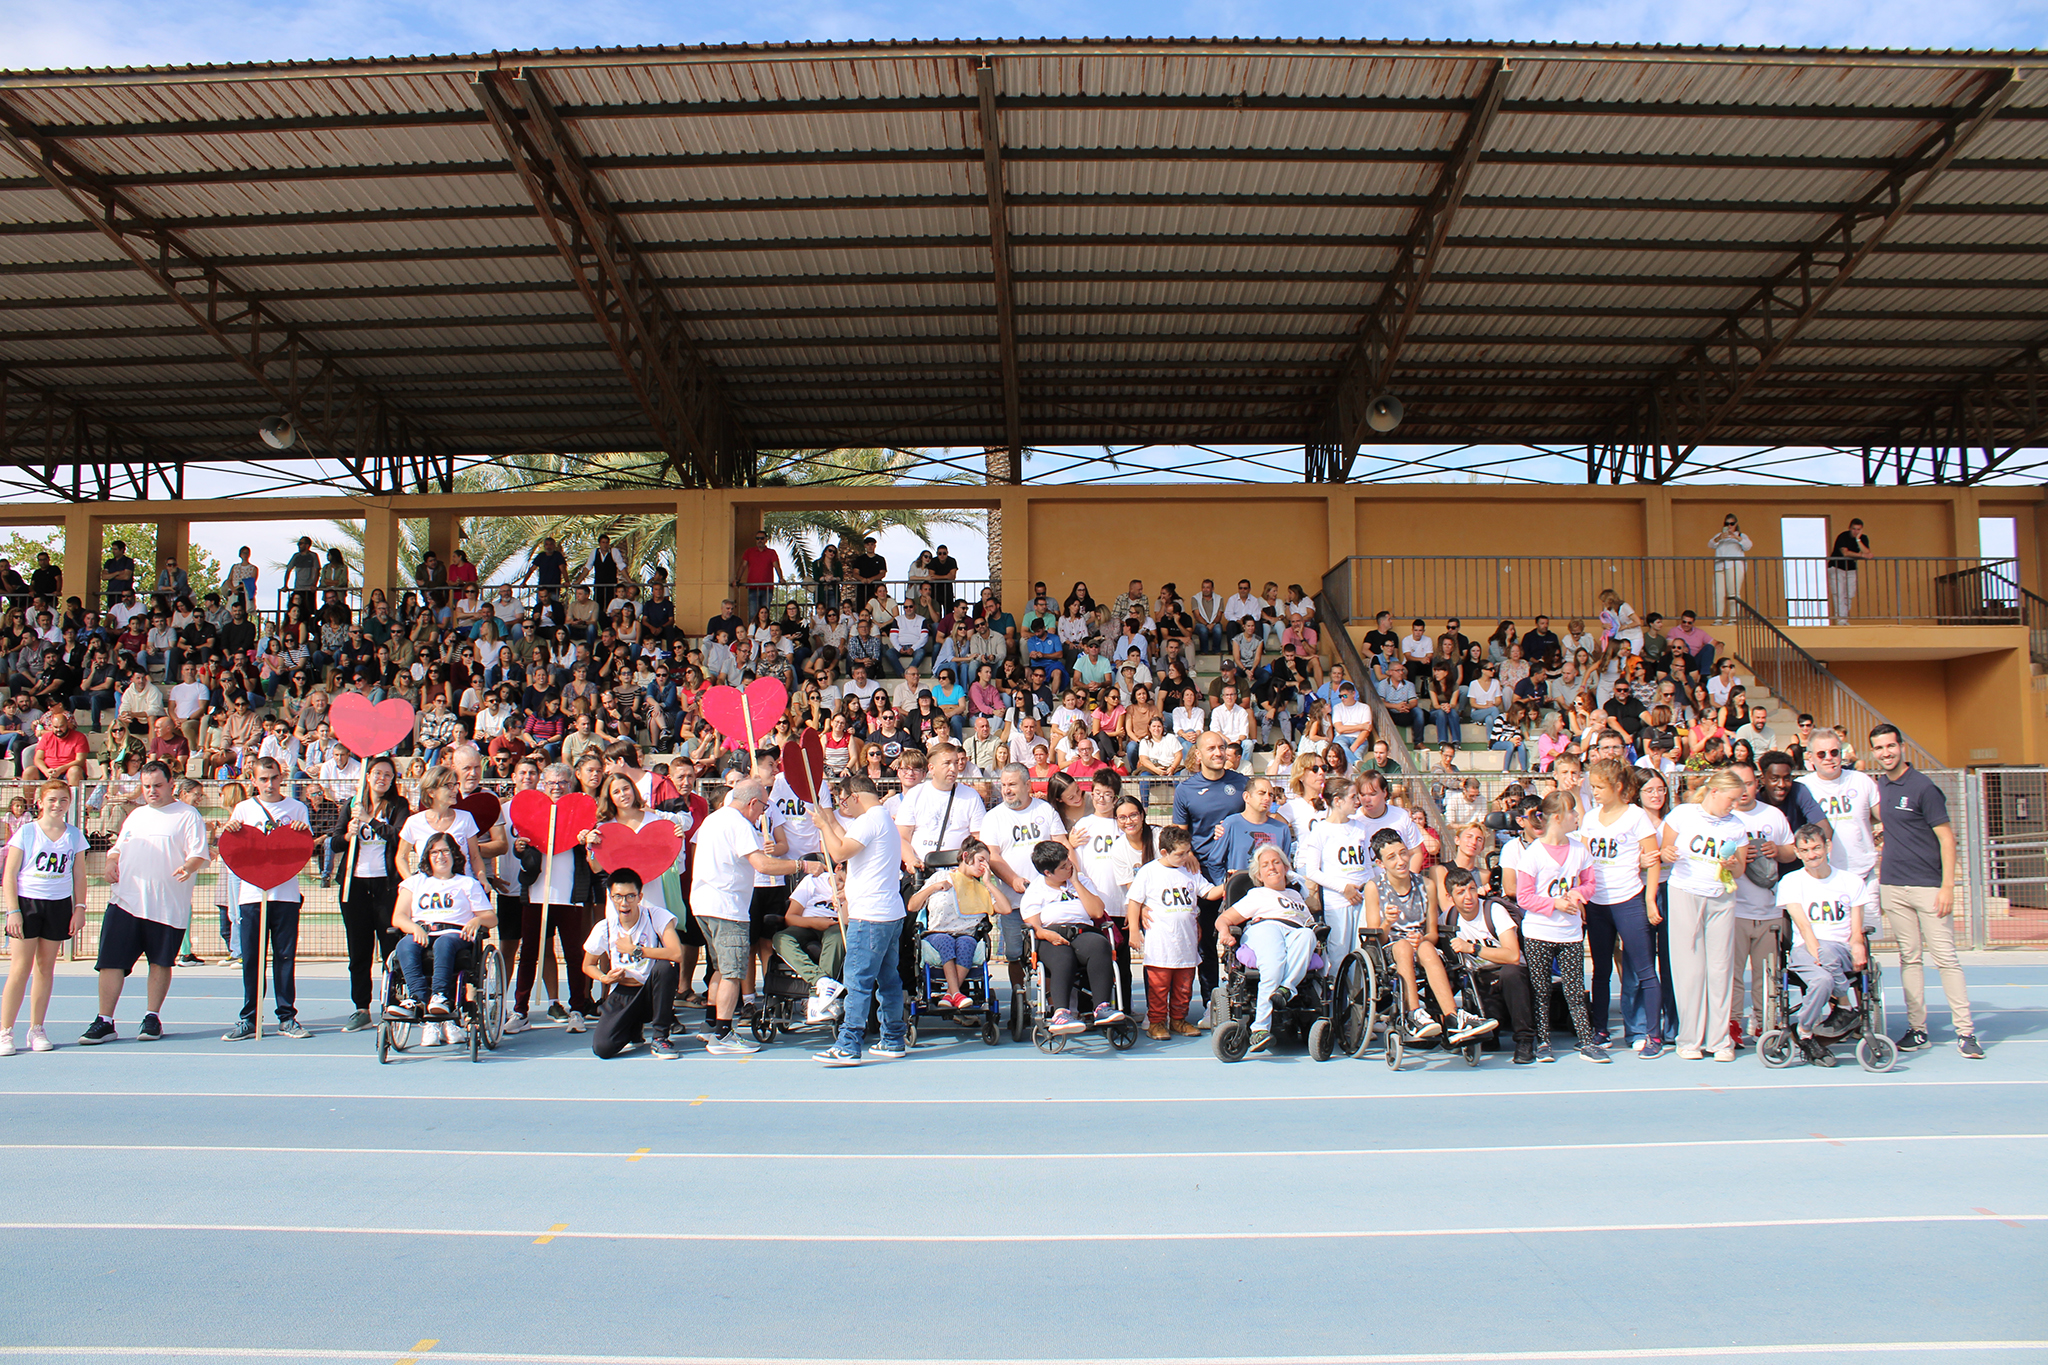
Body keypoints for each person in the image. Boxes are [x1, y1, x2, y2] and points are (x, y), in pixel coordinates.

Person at [1869, 723, 1979, 1058]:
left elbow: (1947, 838)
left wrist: (1948, 886)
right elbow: (1896, 824)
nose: (1886, 753)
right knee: (1909, 958)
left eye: (1890, 746)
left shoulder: (1923, 787)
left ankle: (1966, 1032)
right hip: (1893, 886)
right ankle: (1918, 1030)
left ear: (1901, 746)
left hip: (1929, 887)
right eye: (1879, 748)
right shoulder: (1880, 787)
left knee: (1946, 959)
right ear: (1873, 751)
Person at [693, 779, 825, 1054]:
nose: (763, 813)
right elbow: (763, 864)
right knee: (732, 972)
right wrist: (802, 864)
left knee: (720, 967)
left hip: (705, 903)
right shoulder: (738, 823)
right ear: (753, 803)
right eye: (763, 807)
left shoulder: (713, 819)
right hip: (726, 906)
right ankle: (723, 1033)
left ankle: (710, 1026)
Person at [84, 762, 210, 1044]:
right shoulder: (136, 815)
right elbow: (117, 850)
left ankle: (152, 1017)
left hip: (167, 906)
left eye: (157, 785)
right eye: (146, 786)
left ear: (171, 784)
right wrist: (110, 864)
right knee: (110, 963)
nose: (151, 791)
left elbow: (199, 853)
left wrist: (188, 867)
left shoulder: (187, 815)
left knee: (160, 962)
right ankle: (104, 1020)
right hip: (125, 902)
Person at [809, 773, 910, 1065]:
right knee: (888, 980)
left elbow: (839, 850)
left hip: (870, 916)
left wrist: (824, 825)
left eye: (844, 802)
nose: (844, 808)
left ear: (855, 796)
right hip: (889, 913)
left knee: (858, 981)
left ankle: (849, 1043)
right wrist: (828, 822)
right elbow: (846, 843)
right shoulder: (883, 820)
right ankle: (892, 1038)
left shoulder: (869, 821)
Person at [1659, 767, 1750, 1062]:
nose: (1733, 805)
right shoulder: (1683, 814)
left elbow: (1740, 869)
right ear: (1715, 792)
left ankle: (1720, 1039)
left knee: (1720, 968)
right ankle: (1689, 1039)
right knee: (1690, 969)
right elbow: (1665, 852)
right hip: (1685, 892)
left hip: (1721, 897)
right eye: (1731, 799)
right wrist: (1667, 854)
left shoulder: (1736, 826)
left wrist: (1732, 863)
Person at [220, 756, 314, 1040]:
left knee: (285, 957)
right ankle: (249, 1017)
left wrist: (301, 833)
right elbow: (235, 851)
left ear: (281, 778)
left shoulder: (297, 808)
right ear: (254, 780)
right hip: (252, 895)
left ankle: (287, 1017)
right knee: (252, 958)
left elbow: (303, 849)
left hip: (285, 895)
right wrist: (230, 831)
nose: (269, 784)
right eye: (263, 779)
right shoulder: (244, 809)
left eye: (273, 778)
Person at [1577, 758, 1664, 1054]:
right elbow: (1585, 863)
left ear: (1617, 787)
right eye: (1593, 787)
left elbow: (1653, 860)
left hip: (1628, 899)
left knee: (1643, 969)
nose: (1596, 792)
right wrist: (1582, 898)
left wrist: (1650, 899)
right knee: (1600, 970)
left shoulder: (1635, 816)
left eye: (1600, 787)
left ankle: (1653, 1035)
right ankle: (1600, 1029)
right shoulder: (1590, 817)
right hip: (1599, 904)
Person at [1, 780, 89, 1054]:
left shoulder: (74, 835)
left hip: (58, 905)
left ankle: (36, 1028)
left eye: (63, 800)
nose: (57, 805)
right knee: (20, 968)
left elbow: (79, 875)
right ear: (40, 801)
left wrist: (80, 908)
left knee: (45, 968)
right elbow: (10, 875)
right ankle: (5, 1031)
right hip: (27, 905)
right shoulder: (26, 833)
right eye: (52, 799)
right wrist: (13, 911)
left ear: (69, 803)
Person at [387, 831, 497, 1048]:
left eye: (445, 850)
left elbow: (491, 918)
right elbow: (398, 916)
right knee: (404, 944)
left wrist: (477, 921)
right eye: (435, 851)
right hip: (423, 932)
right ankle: (419, 1000)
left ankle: (440, 997)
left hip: (455, 934)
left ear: (454, 854)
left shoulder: (467, 883)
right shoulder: (415, 882)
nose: (440, 856)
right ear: (428, 855)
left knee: (445, 942)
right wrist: (413, 928)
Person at [1775, 823, 1869, 1067]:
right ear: (1797, 852)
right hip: (1806, 948)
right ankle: (1808, 1028)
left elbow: (1857, 928)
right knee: (1822, 980)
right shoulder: (1791, 881)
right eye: (1805, 850)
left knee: (1829, 951)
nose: (1812, 855)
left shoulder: (1851, 881)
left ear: (1827, 847)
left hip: (1841, 950)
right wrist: (1817, 951)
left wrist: (1858, 943)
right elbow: (1803, 926)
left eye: (1817, 848)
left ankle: (1833, 1013)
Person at [331, 753, 409, 1033]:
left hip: (386, 886)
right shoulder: (352, 805)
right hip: (355, 886)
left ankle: (393, 1002)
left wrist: (370, 821)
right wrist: (350, 834)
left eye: (388, 775)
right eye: (377, 773)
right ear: (367, 776)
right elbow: (336, 843)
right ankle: (361, 1007)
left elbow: (398, 836)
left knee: (391, 948)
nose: (382, 779)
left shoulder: (399, 806)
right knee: (359, 950)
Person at [1213, 844, 1314, 1054]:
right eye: (1266, 865)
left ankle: (1286, 988)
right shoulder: (1257, 894)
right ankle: (1259, 1029)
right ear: (1259, 875)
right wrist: (1225, 933)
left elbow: (1310, 925)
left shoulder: (1297, 897)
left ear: (1286, 868)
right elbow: (1224, 918)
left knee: (1308, 934)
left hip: (1296, 932)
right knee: (1274, 964)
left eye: (1277, 862)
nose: (1272, 868)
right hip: (1265, 927)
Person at [1020, 838, 1126, 1036]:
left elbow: (1096, 912)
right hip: (1051, 935)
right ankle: (1060, 1012)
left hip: (1082, 932)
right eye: (1063, 866)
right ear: (1048, 873)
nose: (1069, 866)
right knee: (1063, 956)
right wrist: (1046, 934)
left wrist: (1075, 882)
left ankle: (1102, 1007)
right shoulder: (1036, 890)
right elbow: (1033, 925)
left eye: (1068, 861)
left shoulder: (1081, 880)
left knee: (1099, 945)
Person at [1126, 824, 1221, 1039]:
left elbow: (1208, 892)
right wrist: (1134, 930)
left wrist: (1227, 884)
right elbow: (1134, 902)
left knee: (1184, 987)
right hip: (1161, 944)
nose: (1186, 856)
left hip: (1186, 944)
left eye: (1188, 851)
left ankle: (1178, 1019)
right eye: (1180, 853)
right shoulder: (1149, 871)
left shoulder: (1190, 871)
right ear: (1164, 852)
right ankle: (1157, 1021)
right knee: (1159, 988)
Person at [581, 867, 685, 1060]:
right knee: (603, 1048)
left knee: (665, 967)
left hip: (650, 992)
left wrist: (636, 950)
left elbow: (677, 953)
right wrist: (605, 977)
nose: (624, 903)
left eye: (630, 896)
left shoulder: (656, 916)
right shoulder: (605, 927)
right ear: (611, 897)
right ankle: (632, 1028)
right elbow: (588, 965)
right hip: (623, 993)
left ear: (640, 896)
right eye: (618, 897)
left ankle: (660, 1037)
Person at [1728, 760, 1794, 1048]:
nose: (1744, 790)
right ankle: (1732, 1025)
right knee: (1733, 975)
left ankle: (1764, 1022)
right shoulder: (1724, 817)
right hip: (1735, 910)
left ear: (1758, 784)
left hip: (1769, 910)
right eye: (1737, 784)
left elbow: (1792, 851)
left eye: (1749, 783)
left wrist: (1777, 851)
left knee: (1766, 975)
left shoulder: (1774, 815)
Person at [1442, 867, 1538, 1064]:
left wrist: (1473, 948)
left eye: (1471, 889)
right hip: (1480, 981)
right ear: (1450, 897)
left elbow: (1512, 955)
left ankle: (1525, 1040)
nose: (1468, 896)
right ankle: (1450, 1027)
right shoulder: (1447, 918)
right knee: (1446, 974)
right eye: (1460, 892)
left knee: (1512, 973)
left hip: (1508, 975)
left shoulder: (1494, 911)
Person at [908, 838, 998, 1010]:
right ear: (966, 856)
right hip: (937, 932)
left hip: (966, 934)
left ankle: (950, 994)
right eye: (981, 860)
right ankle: (956, 993)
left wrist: (987, 883)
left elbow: (1005, 909)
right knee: (945, 941)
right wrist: (933, 888)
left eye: (987, 862)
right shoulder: (940, 877)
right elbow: (912, 905)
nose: (984, 866)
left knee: (966, 943)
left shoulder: (980, 888)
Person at [1709, 513, 1752, 619]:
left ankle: (1733, 618)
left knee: (1733, 593)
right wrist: (1719, 538)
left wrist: (1736, 537)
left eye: (1732, 523)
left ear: (1736, 524)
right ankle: (1718, 618)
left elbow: (1748, 546)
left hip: (1734, 565)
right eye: (1727, 523)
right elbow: (1710, 544)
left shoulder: (1741, 536)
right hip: (1720, 566)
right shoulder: (1720, 536)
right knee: (1718, 593)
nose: (1729, 526)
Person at [1827, 517, 1871, 621]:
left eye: (1858, 529)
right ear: (1850, 528)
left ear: (1862, 530)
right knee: (1839, 594)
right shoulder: (1843, 536)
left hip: (1851, 569)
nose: (1856, 531)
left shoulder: (1863, 538)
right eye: (1854, 529)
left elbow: (1868, 552)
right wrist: (1861, 555)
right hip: (1836, 567)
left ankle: (1843, 618)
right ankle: (1841, 620)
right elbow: (1845, 553)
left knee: (1849, 594)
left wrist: (1858, 540)